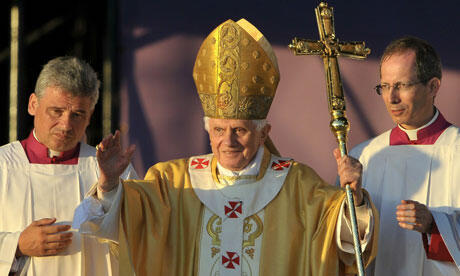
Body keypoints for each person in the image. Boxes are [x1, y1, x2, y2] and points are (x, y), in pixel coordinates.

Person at [74, 19, 378, 276]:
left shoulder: (298, 184)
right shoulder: (172, 181)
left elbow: (348, 243)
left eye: (240, 130)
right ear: (208, 129)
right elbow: (122, 227)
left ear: (264, 133)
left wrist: (355, 198)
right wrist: (110, 184)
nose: (228, 142)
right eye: (218, 130)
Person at [0, 56, 137, 275]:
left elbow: (142, 235)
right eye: (56, 111)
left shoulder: (109, 168)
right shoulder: (3, 165)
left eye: (77, 114)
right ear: (33, 104)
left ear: (90, 116)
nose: (66, 125)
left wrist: (110, 187)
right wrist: (16, 246)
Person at [348, 36, 460, 275]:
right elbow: (344, 250)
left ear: (433, 87)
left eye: (402, 85)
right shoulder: (365, 157)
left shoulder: (457, 149)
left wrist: (434, 225)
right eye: (385, 86)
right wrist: (354, 201)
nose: (392, 98)